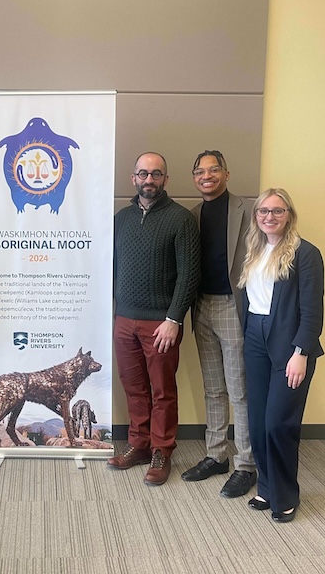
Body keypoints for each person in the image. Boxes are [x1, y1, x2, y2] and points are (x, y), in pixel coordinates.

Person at [109, 151, 201, 485]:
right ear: (133, 178)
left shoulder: (180, 219)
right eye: (143, 174)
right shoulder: (121, 218)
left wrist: (174, 319)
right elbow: (114, 267)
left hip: (161, 324)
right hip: (124, 321)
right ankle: (139, 444)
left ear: (166, 179)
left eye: (156, 174)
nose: (149, 180)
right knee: (133, 387)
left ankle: (162, 450)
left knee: (162, 391)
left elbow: (189, 274)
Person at [238, 188, 324, 522]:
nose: (269, 217)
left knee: (278, 424)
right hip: (256, 340)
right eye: (263, 211)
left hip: (290, 345)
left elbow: (313, 311)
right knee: (258, 422)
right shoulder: (254, 249)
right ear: (256, 216)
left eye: (277, 211)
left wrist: (301, 351)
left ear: (289, 214)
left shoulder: (306, 253)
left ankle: (286, 496)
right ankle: (267, 488)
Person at [181, 150, 257, 498]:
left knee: (239, 391)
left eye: (213, 170)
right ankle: (216, 456)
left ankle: (246, 464)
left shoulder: (249, 211)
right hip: (202, 307)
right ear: (194, 178)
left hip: (232, 306)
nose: (206, 176)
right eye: (200, 172)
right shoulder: (193, 215)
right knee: (214, 389)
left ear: (226, 173)